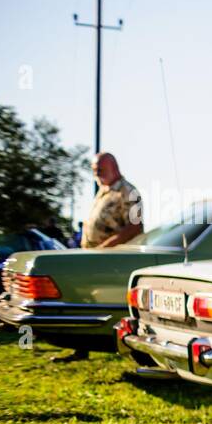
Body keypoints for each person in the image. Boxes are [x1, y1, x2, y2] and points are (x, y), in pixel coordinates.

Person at [52, 153, 144, 362]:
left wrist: (105, 248)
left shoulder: (128, 192)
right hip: (92, 256)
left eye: (99, 169)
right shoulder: (103, 192)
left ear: (113, 166)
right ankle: (80, 348)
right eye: (94, 170)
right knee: (83, 301)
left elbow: (135, 227)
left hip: (110, 259)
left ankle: (129, 346)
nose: (96, 173)